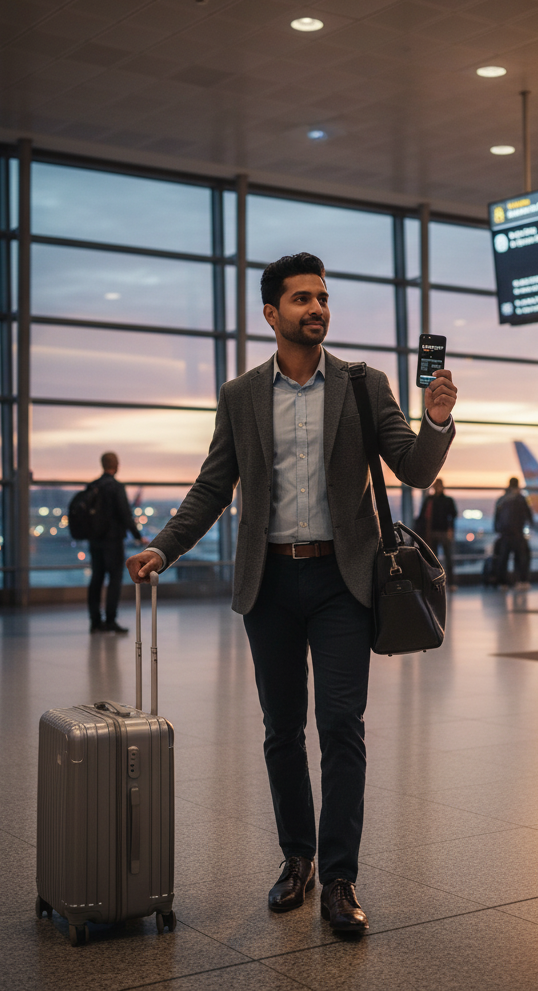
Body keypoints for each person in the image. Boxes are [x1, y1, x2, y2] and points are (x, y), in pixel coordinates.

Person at [125, 252, 457, 932]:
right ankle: (296, 860)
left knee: (341, 728)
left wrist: (438, 419)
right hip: (269, 581)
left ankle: (339, 878)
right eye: (302, 299)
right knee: (282, 731)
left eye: (324, 298)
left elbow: (416, 471)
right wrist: (165, 545)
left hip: (343, 582)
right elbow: (213, 486)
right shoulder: (241, 395)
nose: (317, 309)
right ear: (272, 314)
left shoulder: (365, 386)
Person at [87, 452, 145, 634]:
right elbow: (125, 515)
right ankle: (110, 620)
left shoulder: (92, 486)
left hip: (95, 539)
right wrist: (137, 535)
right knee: (115, 578)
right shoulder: (116, 487)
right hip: (113, 541)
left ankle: (95, 622)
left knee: (96, 578)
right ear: (117, 465)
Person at [493, 478, 533, 589]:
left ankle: (503, 583)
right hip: (518, 533)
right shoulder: (521, 499)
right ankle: (521, 581)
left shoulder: (502, 499)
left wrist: (497, 529)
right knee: (521, 558)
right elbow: (528, 513)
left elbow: (497, 515)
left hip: (505, 533)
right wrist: (530, 524)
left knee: (503, 558)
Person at [418, 479, 458, 591]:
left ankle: (445, 583)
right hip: (436, 532)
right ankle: (445, 583)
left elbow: (423, 517)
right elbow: (453, 515)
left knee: (441, 558)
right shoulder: (440, 500)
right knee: (437, 559)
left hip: (440, 532)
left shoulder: (431, 500)